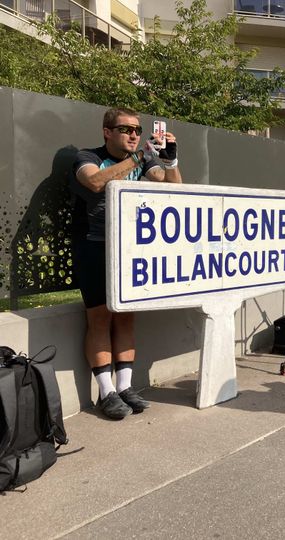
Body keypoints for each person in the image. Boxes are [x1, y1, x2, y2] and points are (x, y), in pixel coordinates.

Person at [70, 107, 182, 420]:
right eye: (126, 129)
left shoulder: (145, 159)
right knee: (100, 319)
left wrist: (170, 160)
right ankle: (105, 391)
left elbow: (174, 190)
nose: (134, 135)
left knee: (126, 318)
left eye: (137, 129)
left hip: (129, 250)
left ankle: (125, 386)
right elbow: (93, 182)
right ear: (107, 132)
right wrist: (135, 159)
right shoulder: (87, 156)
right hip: (94, 246)